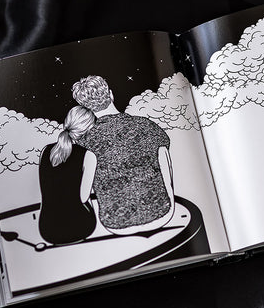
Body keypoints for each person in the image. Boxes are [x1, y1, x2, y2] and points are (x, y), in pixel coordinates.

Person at [71, 75, 174, 234]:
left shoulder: (84, 140)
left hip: (115, 224)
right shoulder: (146, 125)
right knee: (161, 150)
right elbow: (165, 161)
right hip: (163, 214)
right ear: (111, 94)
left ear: (83, 107)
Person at [38, 106, 97, 245]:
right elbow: (83, 198)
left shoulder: (45, 151)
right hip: (80, 227)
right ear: (88, 129)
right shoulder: (88, 156)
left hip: (47, 229)